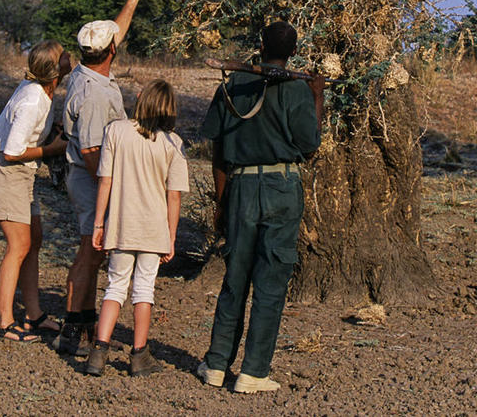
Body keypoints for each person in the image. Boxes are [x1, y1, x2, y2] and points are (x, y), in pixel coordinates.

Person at [197, 20, 324, 393]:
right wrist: (317, 94)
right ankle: (253, 373)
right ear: (294, 52)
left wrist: (222, 202)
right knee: (270, 281)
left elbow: (217, 148)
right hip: (282, 187)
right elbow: (310, 144)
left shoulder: (233, 84)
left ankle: (216, 365)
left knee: (234, 277)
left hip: (239, 186)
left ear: (260, 46)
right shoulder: (299, 89)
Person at [54, 0, 150, 356]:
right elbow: (94, 153)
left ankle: (80, 322)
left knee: (89, 252)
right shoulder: (94, 94)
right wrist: (112, 192)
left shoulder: (84, 69)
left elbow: (115, 32)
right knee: (90, 251)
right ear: (111, 51)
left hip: (86, 175)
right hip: (89, 177)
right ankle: (74, 326)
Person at [84, 78, 189, 377]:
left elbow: (105, 179)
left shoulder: (116, 131)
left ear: (142, 100)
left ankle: (98, 351)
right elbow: (174, 195)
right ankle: (139, 354)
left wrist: (98, 223)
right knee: (144, 290)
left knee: (114, 287)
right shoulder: (173, 144)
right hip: (154, 231)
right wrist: (171, 238)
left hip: (121, 225)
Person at [0, 40, 71, 342]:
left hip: (21, 177)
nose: (70, 56)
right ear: (56, 69)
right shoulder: (33, 99)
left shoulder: (37, 90)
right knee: (18, 246)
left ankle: (34, 314)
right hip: (7, 175)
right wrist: (50, 149)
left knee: (34, 240)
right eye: (64, 55)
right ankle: (5, 322)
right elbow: (11, 150)